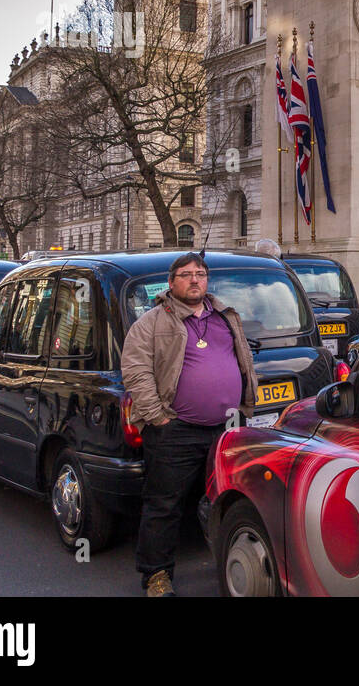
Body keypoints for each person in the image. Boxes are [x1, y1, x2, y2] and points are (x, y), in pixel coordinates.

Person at [120, 253, 259, 597]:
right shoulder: (151, 323)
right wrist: (158, 417)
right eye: (186, 275)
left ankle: (235, 566)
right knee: (163, 505)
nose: (195, 280)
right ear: (171, 283)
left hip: (225, 428)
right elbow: (136, 372)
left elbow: (243, 358)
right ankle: (156, 576)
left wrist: (244, 404)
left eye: (200, 274)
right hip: (175, 430)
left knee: (225, 498)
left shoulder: (226, 317)